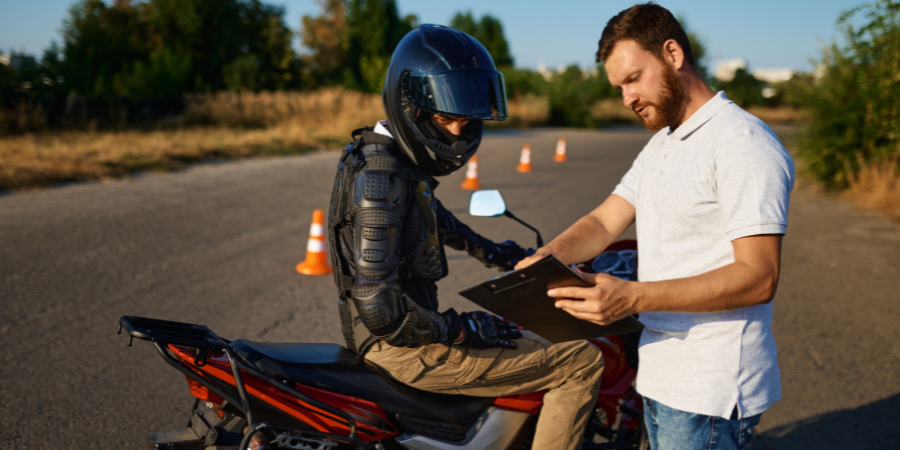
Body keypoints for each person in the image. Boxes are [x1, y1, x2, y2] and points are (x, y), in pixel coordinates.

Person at [515, 4, 794, 450]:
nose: (626, 98)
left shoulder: (741, 143)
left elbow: (760, 277)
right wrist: (548, 259)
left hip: (711, 390)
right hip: (661, 373)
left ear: (673, 54)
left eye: (632, 79)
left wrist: (632, 297)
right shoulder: (664, 143)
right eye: (618, 87)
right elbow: (606, 219)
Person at [326, 24, 604, 450]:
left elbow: (438, 221)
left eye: (465, 120)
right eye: (445, 118)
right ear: (412, 107)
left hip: (410, 336)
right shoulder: (380, 178)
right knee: (581, 360)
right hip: (403, 348)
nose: (457, 132)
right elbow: (378, 308)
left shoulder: (392, 162)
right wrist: (460, 329)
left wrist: (501, 255)